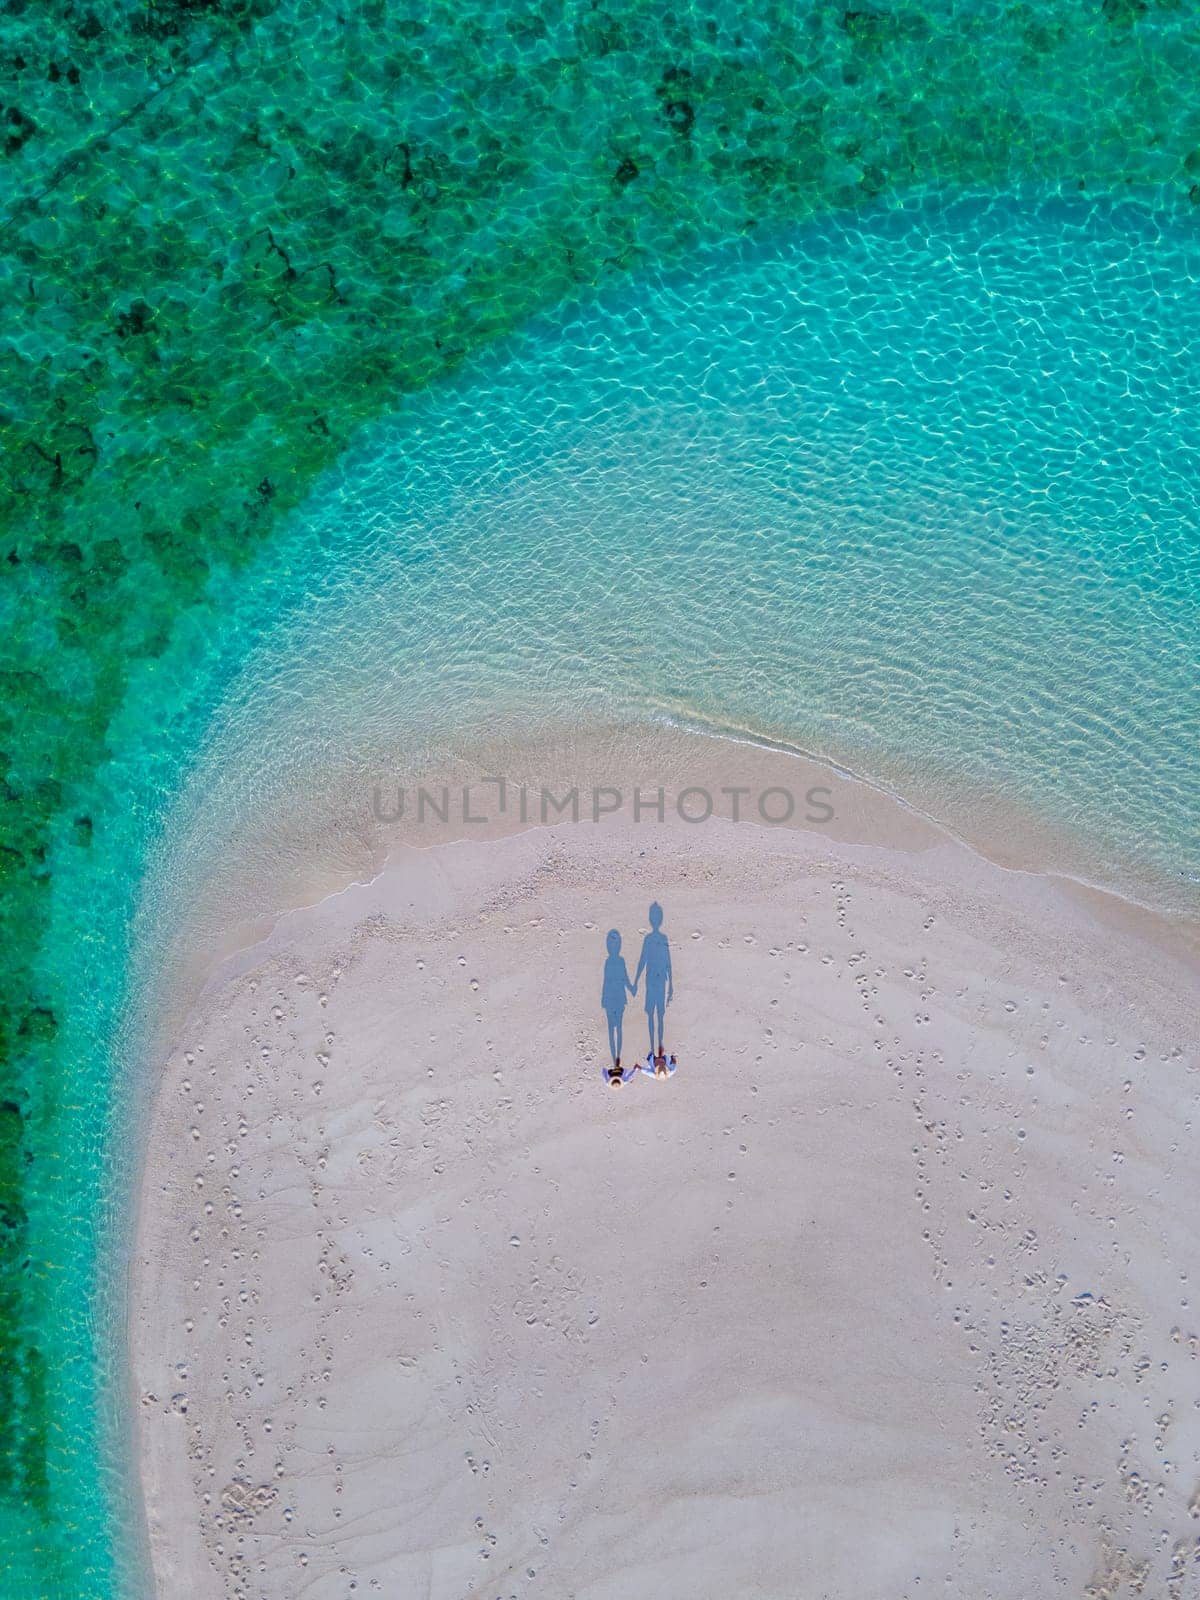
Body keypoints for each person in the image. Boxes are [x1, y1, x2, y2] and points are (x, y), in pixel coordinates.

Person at [634, 902, 673, 1059]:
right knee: (652, 1014)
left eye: (657, 917)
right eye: (654, 917)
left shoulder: (662, 938)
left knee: (660, 1014)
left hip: (659, 981)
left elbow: (668, 962)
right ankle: (653, 1046)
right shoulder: (648, 939)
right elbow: (642, 960)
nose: (655, 919)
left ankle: (659, 1045)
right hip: (651, 981)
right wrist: (636, 980)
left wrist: (671, 985)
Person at [600, 929, 636, 1070]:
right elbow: (622, 978)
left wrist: (630, 987)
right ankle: (617, 1056)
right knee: (616, 1027)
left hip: (613, 997)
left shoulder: (612, 961)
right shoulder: (614, 961)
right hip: (617, 996)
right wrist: (631, 988)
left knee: (614, 1028)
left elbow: (615, 979)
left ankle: (617, 1055)